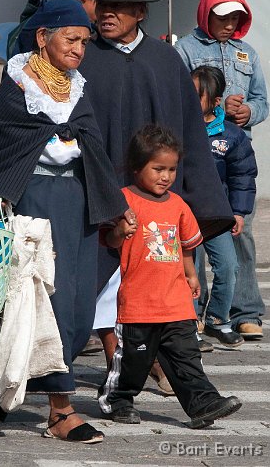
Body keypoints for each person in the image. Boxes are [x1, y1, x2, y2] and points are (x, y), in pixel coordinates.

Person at [0, 0, 130, 444]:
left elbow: (91, 144)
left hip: (75, 207)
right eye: (72, 38)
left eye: (85, 41)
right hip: (31, 204)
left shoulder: (77, 88)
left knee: (77, 306)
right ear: (43, 38)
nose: (80, 48)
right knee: (39, 304)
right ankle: (62, 411)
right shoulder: (16, 86)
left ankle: (0, 389)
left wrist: (113, 205)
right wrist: (58, 145)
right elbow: (4, 147)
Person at [79, 0, 235, 391]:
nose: (108, 13)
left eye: (120, 6)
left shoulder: (165, 61)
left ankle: (157, 366)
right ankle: (121, 372)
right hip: (100, 196)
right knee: (107, 290)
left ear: (140, 12)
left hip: (158, 205)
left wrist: (203, 202)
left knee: (158, 288)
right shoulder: (84, 57)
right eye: (103, 4)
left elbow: (190, 135)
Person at [98, 123, 242, 428]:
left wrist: (192, 276)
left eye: (172, 170)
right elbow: (108, 241)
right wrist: (121, 231)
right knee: (134, 363)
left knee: (186, 356)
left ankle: (203, 402)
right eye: (158, 168)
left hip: (174, 299)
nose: (166, 177)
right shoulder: (123, 201)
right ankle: (117, 399)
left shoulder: (178, 205)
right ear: (137, 168)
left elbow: (185, 246)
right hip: (138, 303)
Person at [175, 0, 268, 340]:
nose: (228, 25)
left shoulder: (248, 53)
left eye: (235, 18)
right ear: (205, 15)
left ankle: (245, 311)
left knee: (238, 233)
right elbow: (179, 97)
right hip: (199, 154)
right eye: (221, 17)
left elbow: (262, 100)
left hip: (235, 153)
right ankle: (193, 310)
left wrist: (249, 112)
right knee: (192, 237)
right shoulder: (185, 49)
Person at [191, 66, 257, 348]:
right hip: (185, 216)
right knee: (188, 271)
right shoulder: (177, 127)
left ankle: (218, 319)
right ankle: (190, 324)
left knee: (229, 267)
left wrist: (239, 212)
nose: (190, 99)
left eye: (198, 95)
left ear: (216, 101)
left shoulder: (232, 135)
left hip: (218, 216)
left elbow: (243, 177)